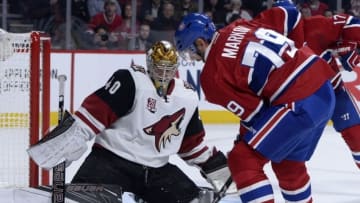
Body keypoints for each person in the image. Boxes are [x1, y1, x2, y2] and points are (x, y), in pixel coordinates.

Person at [27, 40, 231, 203]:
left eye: (169, 68)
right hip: (111, 162)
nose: (164, 73)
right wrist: (65, 142)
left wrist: (221, 170)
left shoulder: (186, 95)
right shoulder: (130, 81)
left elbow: (191, 144)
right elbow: (91, 116)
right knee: (81, 199)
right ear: (149, 64)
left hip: (156, 170)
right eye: (159, 67)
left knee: (193, 199)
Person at [174, 13, 336, 202]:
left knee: (242, 159)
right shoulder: (238, 26)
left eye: (189, 51)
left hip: (297, 100)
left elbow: (258, 114)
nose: (191, 57)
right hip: (323, 88)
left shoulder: (211, 77)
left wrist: (243, 141)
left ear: (200, 43)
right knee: (287, 164)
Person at [255, 0, 360, 170]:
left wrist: (349, 45)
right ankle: (250, 171)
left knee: (356, 136)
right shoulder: (262, 43)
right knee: (288, 157)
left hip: (334, 91)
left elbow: (351, 24)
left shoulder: (313, 26)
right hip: (299, 104)